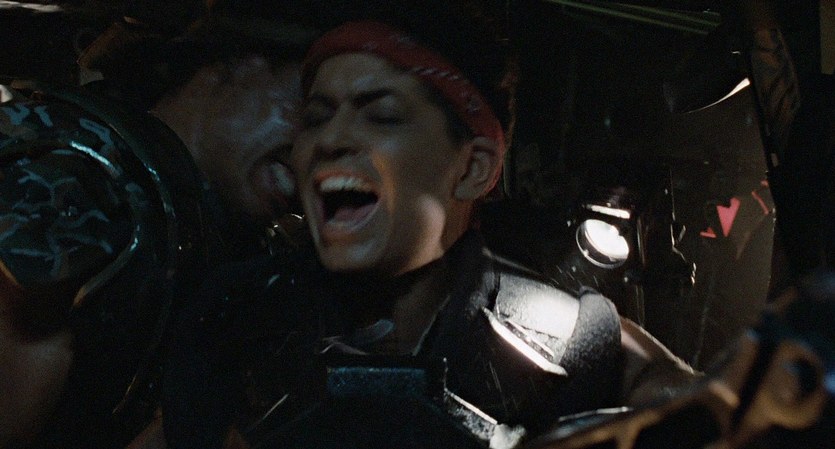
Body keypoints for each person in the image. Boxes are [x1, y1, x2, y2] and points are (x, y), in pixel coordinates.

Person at [160, 2, 698, 448]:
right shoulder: (228, 316)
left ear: (473, 167)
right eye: (317, 116)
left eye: (382, 115)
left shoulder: (568, 339)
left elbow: (710, 406)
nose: (329, 140)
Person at [0, 1, 318, 447]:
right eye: (311, 113)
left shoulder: (224, 245)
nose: (316, 154)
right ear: (236, 62)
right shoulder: (76, 176)